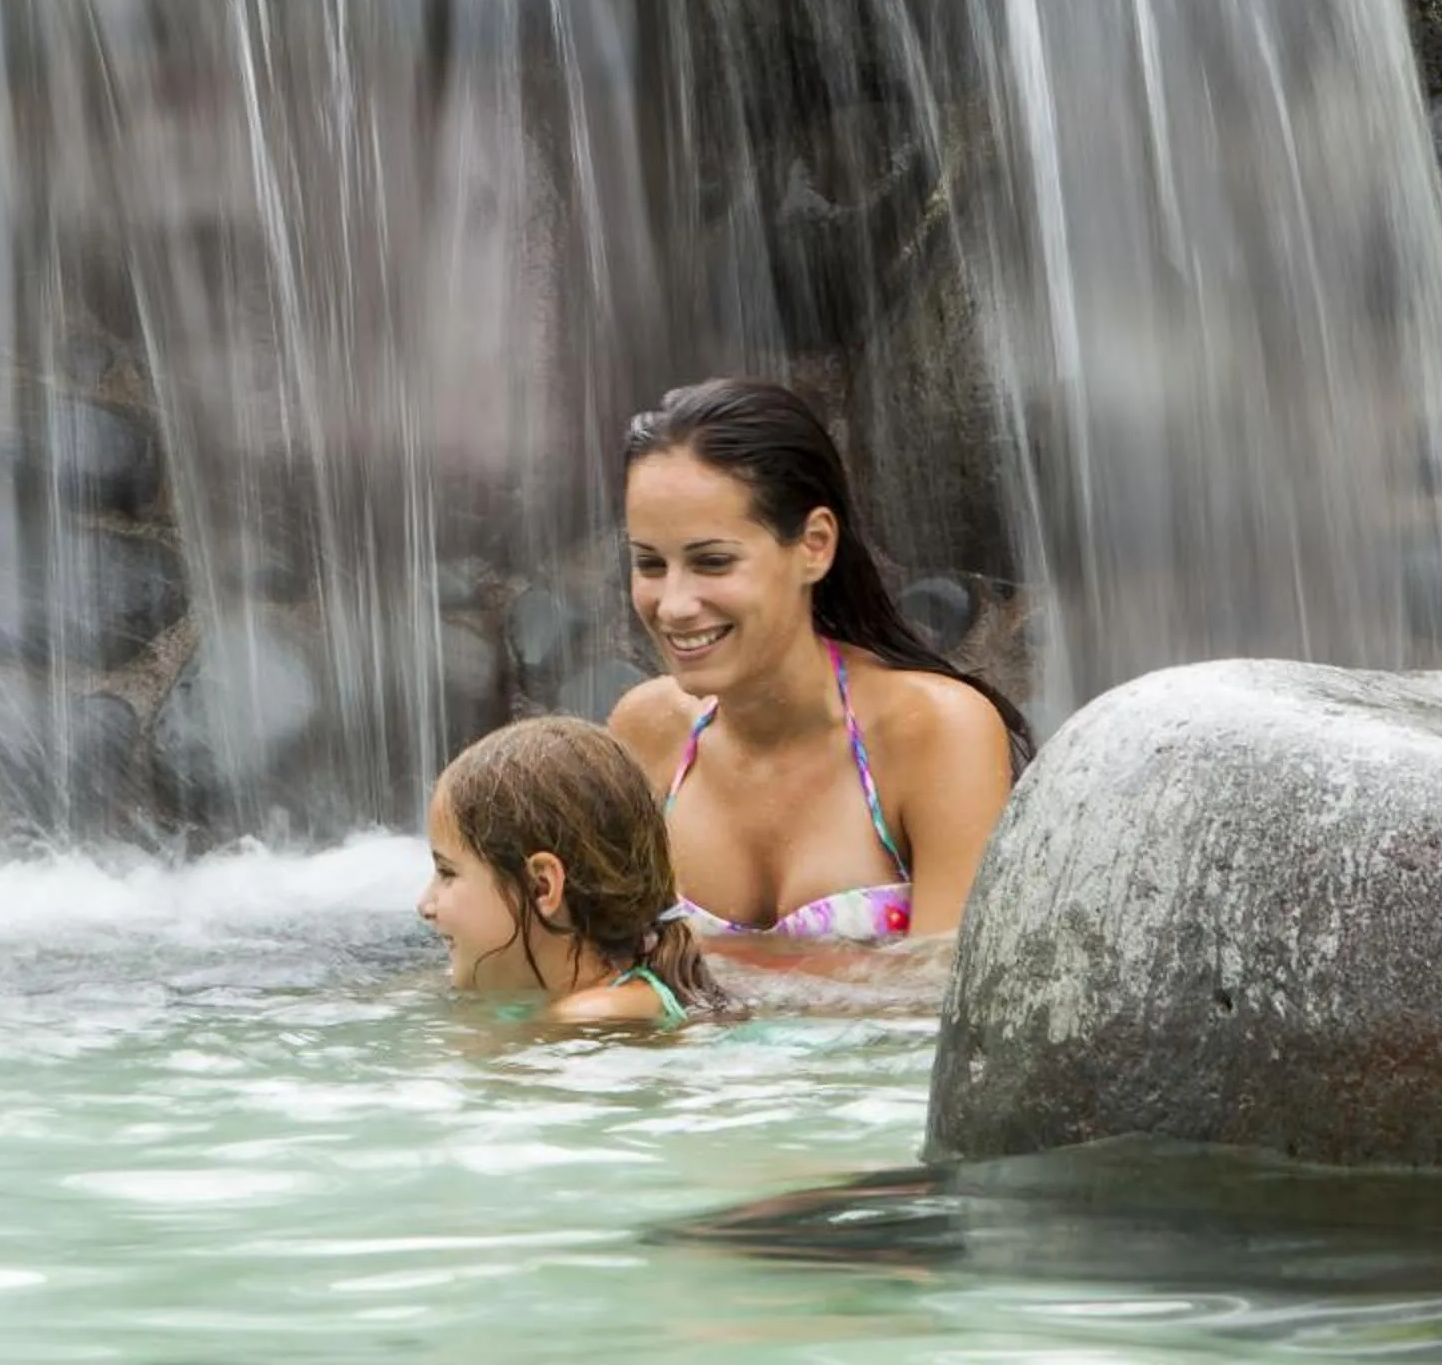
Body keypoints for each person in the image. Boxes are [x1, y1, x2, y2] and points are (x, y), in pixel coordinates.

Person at [606, 379, 1029, 944]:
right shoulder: (647, 731)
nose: (675, 605)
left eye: (712, 562)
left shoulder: (933, 731)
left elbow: (945, 999)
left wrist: (713, 990)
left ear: (814, 545)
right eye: (650, 565)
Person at [419, 717, 734, 1028]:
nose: (425, 905)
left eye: (447, 873)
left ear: (542, 886)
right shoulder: (605, 994)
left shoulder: (595, 1017)